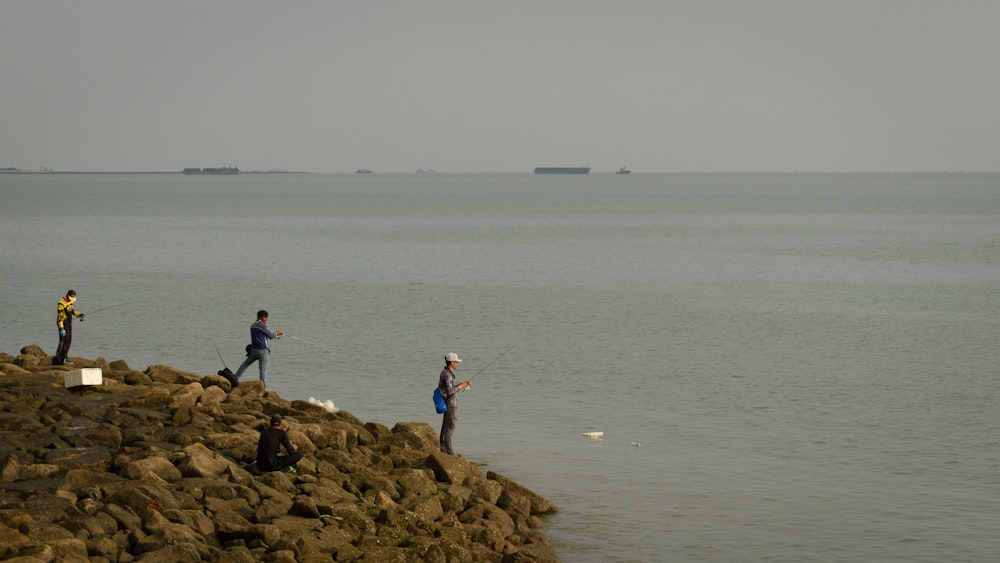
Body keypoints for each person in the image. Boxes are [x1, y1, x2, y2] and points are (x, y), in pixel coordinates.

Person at [233, 310, 283, 387]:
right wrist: (276, 333)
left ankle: (235, 377)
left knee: (245, 364)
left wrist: (273, 334)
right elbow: (270, 336)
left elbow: (262, 335)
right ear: (260, 317)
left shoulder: (252, 325)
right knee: (263, 370)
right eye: (265, 317)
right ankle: (262, 387)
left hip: (254, 350)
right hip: (263, 351)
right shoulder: (262, 326)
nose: (266, 319)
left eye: (267, 317)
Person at [438, 352, 471, 455]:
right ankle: (449, 450)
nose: (457, 363)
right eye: (456, 362)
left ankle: (443, 448)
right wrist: (461, 387)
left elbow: (449, 388)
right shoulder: (448, 374)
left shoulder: (445, 373)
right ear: (451, 362)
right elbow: (449, 391)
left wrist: (461, 385)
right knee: (450, 426)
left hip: (447, 403)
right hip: (450, 404)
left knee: (446, 426)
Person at [53, 289, 85, 365]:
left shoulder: (71, 302)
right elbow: (60, 317)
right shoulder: (61, 304)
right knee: (63, 341)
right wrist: (61, 328)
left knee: (68, 340)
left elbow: (72, 311)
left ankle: (64, 357)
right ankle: (58, 359)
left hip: (69, 323)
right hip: (63, 323)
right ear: (67, 295)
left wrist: (80, 314)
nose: (72, 300)